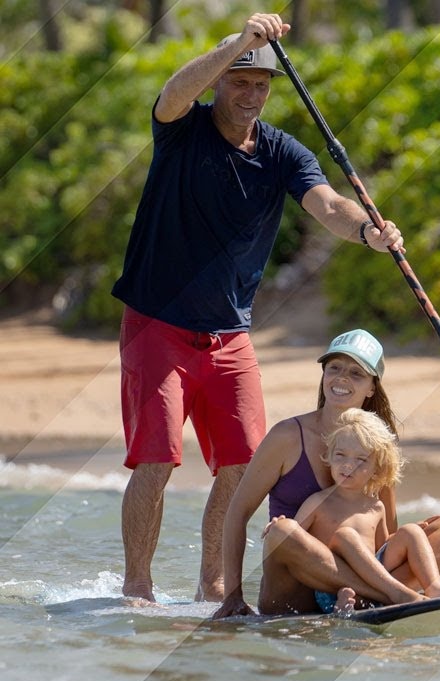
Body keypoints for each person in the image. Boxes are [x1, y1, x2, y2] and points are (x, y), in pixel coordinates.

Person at [111, 12, 407, 603]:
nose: (250, 94)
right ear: (221, 80)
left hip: (229, 336)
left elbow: (327, 205)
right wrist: (241, 44)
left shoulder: (280, 153)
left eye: (261, 85)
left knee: (242, 465)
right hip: (157, 326)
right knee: (157, 460)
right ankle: (137, 590)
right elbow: (172, 95)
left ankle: (212, 583)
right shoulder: (183, 131)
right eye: (240, 81)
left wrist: (370, 233)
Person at [214, 330, 440, 618]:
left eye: (356, 373)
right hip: (293, 592)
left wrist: (412, 538)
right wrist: (233, 597)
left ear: (372, 387)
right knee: (282, 531)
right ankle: (397, 597)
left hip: (354, 586)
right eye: (334, 368)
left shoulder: (378, 445)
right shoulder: (287, 436)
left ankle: (382, 599)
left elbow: (383, 537)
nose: (341, 378)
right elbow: (238, 511)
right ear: (323, 375)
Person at [293, 408, 440, 613]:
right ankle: (346, 600)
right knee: (346, 536)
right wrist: (280, 525)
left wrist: (414, 534)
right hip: (333, 582)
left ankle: (434, 588)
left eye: (360, 460)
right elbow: (295, 541)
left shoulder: (376, 506)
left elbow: (382, 546)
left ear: (376, 468)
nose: (348, 465)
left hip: (375, 577)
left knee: (409, 531)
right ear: (328, 456)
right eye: (340, 455)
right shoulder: (318, 502)